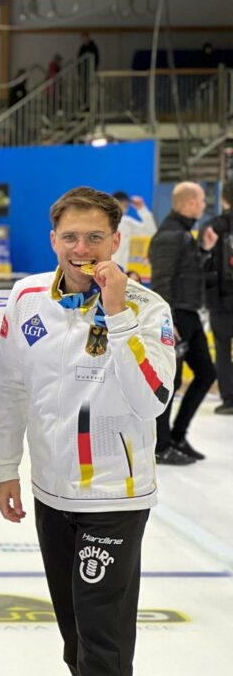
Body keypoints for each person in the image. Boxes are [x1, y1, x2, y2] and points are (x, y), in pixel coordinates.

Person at [0, 186, 176, 676]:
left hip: (115, 501)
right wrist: (5, 468)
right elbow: (12, 388)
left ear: (116, 241)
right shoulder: (26, 300)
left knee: (103, 641)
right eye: (71, 237)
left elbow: (154, 399)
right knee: (77, 642)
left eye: (95, 237)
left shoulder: (148, 309)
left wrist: (116, 314)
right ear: (53, 240)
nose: (82, 248)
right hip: (52, 495)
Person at [147, 181, 217, 464]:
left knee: (205, 374)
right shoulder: (169, 236)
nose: (203, 205)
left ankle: (177, 436)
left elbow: (186, 273)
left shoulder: (184, 234)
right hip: (177, 316)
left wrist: (203, 250)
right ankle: (160, 446)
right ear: (189, 202)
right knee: (170, 382)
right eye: (201, 200)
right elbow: (161, 280)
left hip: (189, 314)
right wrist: (168, 321)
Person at [202, 181, 233, 413]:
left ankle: (229, 400)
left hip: (220, 300)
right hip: (220, 300)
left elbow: (200, 261)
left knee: (222, 349)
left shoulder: (213, 226)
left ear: (223, 199)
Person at [111, 191, 157, 269]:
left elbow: (151, 232)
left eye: (126, 203)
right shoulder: (102, 221)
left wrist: (142, 209)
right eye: (122, 202)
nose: (125, 205)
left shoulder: (127, 223)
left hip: (121, 271)